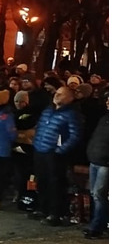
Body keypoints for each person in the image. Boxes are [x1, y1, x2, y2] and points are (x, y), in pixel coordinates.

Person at [31, 84, 84, 227]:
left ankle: (55, 213)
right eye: (57, 93)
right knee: (41, 181)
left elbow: (75, 135)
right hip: (40, 150)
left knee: (55, 184)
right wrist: (36, 143)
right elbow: (40, 127)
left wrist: (60, 150)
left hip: (54, 154)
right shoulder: (48, 110)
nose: (56, 95)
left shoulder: (72, 114)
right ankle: (43, 208)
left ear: (70, 98)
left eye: (61, 94)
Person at [84, 93, 108, 239]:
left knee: (99, 194)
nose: (108, 102)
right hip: (95, 160)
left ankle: (97, 226)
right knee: (94, 193)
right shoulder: (104, 118)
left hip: (105, 163)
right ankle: (98, 222)